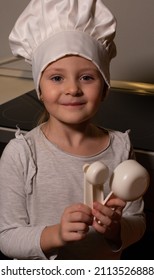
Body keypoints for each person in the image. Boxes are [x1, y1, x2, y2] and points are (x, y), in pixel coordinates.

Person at [0, 0, 146, 260]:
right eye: (57, 78)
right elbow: (8, 237)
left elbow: (138, 221)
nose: (72, 89)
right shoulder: (22, 154)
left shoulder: (121, 147)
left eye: (87, 77)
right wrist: (56, 234)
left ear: (104, 88)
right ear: (40, 90)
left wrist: (116, 230)